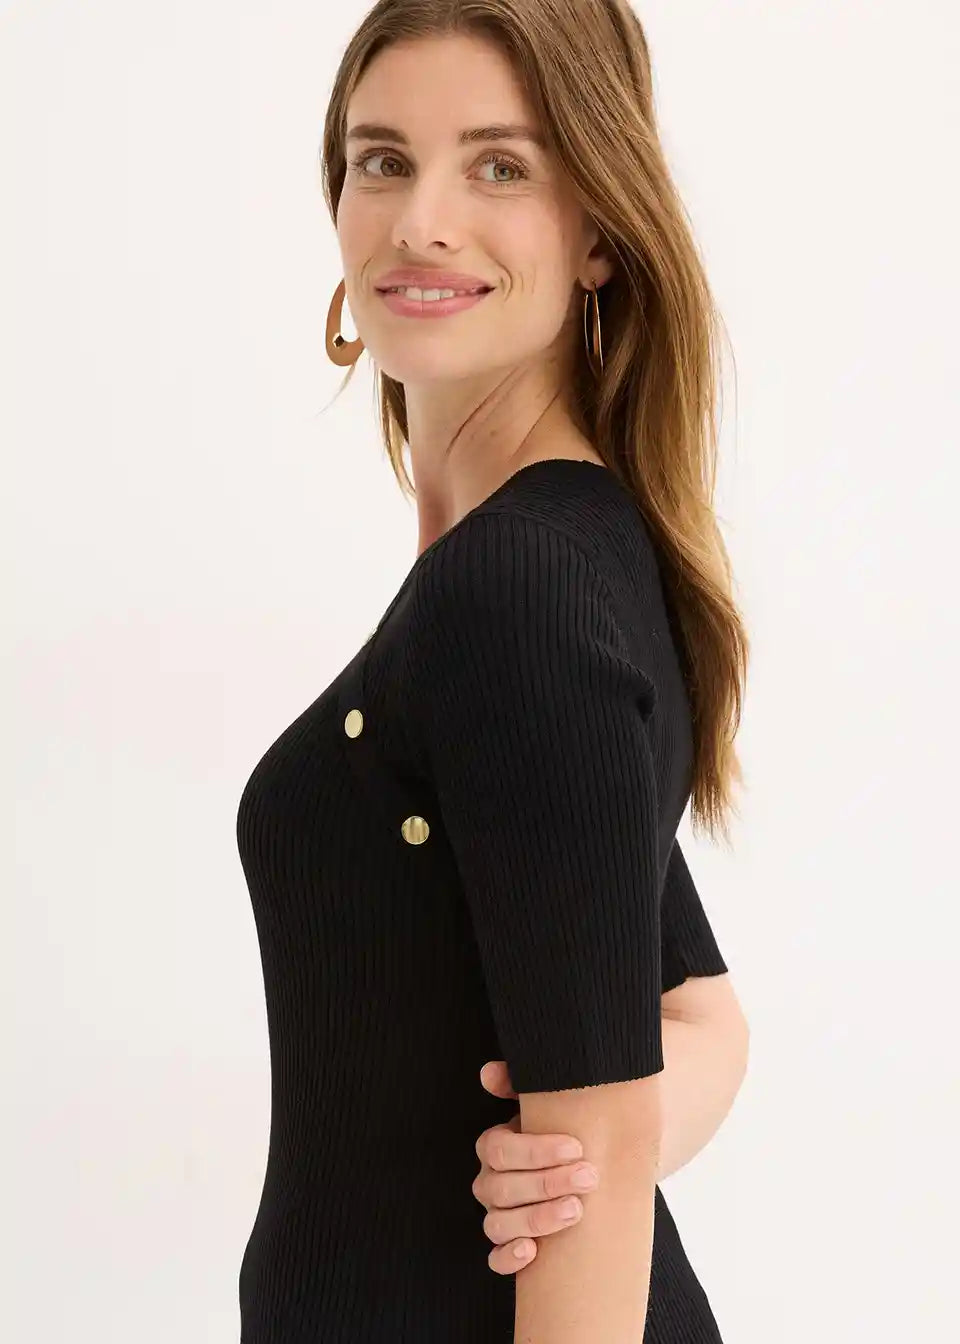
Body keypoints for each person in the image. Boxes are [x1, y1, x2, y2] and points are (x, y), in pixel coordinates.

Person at [236, 3, 750, 1340]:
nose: (422, 221)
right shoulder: (549, 554)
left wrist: (603, 1150)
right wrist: (605, 1141)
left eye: (499, 166)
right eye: (383, 159)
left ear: (599, 232)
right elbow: (697, 1011)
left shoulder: (514, 595)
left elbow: (592, 1218)